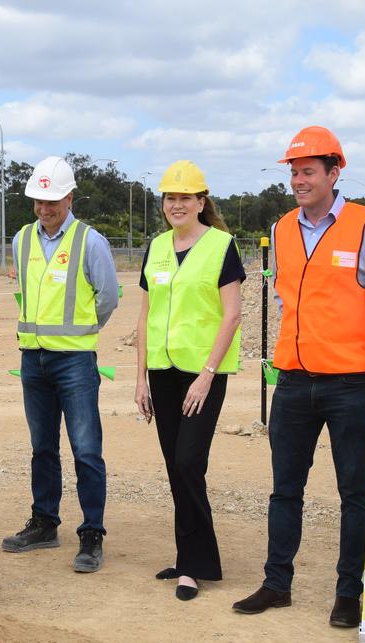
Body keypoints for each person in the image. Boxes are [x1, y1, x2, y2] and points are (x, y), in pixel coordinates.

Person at [232, 126, 365, 628]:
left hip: (351, 383)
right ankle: (277, 584)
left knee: (353, 493)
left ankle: (348, 593)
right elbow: (284, 298)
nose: (298, 180)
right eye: (294, 172)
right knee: (284, 489)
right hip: (293, 380)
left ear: (335, 173)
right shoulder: (280, 229)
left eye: (308, 171)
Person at [1, 156, 119, 572]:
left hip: (74, 362)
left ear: (69, 198)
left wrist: (81, 334)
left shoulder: (90, 242)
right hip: (33, 361)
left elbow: (108, 299)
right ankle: (45, 523)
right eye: (38, 200)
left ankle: (91, 534)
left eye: (52, 200)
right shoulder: (21, 241)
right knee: (42, 447)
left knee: (86, 450)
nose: (44, 208)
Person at [134, 160, 243, 601]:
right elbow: (144, 315)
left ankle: (194, 566)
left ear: (202, 201)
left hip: (203, 375)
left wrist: (207, 375)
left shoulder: (222, 246)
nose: (176, 205)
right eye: (169, 197)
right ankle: (191, 558)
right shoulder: (157, 247)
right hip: (162, 373)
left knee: (187, 463)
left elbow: (232, 314)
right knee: (175, 469)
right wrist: (139, 377)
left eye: (185, 197)